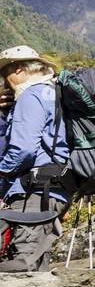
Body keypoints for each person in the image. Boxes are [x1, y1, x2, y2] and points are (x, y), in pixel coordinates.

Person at [0, 46, 70, 271]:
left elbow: (23, 150)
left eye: (4, 74)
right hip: (57, 188)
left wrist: (1, 171)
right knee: (37, 260)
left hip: (34, 190)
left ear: (18, 69)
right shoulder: (55, 92)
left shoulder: (31, 96)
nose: (4, 82)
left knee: (23, 264)